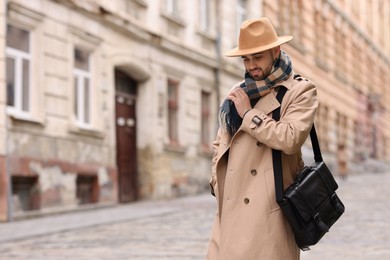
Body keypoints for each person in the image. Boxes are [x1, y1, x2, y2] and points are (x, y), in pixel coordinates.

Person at [207, 17, 318, 259]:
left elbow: (290, 139)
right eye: (246, 58)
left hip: (269, 213)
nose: (251, 65)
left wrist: (248, 114)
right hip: (230, 210)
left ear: (275, 51)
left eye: (257, 57)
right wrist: (216, 181)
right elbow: (221, 141)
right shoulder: (239, 92)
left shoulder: (300, 91)